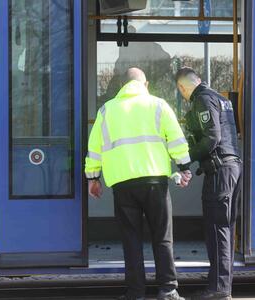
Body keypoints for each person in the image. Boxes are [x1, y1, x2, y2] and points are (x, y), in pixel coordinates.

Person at [85, 68, 192, 300]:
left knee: (131, 239)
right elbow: (176, 138)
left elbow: (94, 148)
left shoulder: (107, 110)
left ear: (123, 85)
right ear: (145, 84)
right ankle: (167, 290)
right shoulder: (158, 104)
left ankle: (135, 293)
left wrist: (93, 178)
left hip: (123, 184)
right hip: (155, 181)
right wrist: (184, 167)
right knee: (162, 236)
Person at [174, 67, 242, 300]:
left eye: (181, 91)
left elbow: (212, 137)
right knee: (226, 229)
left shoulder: (202, 99)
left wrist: (186, 158)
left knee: (217, 230)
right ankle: (222, 285)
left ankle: (218, 289)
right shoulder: (220, 98)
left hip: (221, 171)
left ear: (183, 87)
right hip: (231, 167)